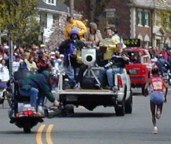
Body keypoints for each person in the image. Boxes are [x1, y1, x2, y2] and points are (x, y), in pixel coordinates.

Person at [144, 66, 168, 134]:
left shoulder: (150, 79)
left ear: (152, 73)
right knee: (159, 112)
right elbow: (166, 87)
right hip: (160, 94)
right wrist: (165, 97)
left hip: (153, 95)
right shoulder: (161, 79)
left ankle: (155, 127)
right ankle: (159, 111)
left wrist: (145, 93)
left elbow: (145, 88)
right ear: (158, 72)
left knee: (152, 114)